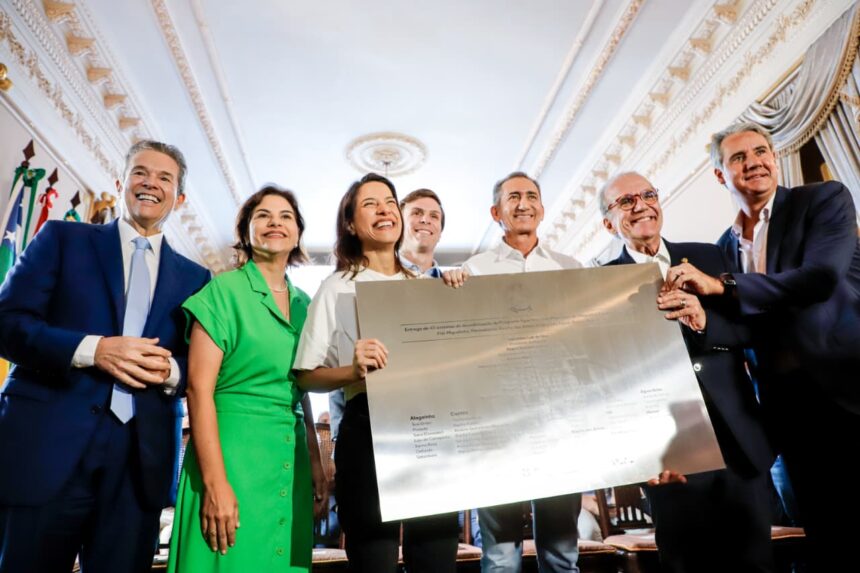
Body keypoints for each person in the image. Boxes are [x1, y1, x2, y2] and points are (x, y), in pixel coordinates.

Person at [0, 140, 210, 573]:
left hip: (139, 464)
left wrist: (171, 370)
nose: (150, 183)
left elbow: (203, 364)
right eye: (140, 172)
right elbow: (8, 323)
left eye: (164, 178)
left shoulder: (197, 279)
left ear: (179, 198)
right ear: (120, 183)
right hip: (48, 447)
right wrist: (92, 350)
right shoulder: (62, 239)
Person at [664, 122, 860, 571]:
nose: (753, 162)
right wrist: (702, 319)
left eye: (760, 151)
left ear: (774, 157)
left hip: (847, 392)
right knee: (824, 532)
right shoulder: (723, 247)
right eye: (738, 157)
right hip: (786, 410)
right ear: (720, 175)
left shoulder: (822, 200)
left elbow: (820, 279)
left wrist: (722, 286)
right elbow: (744, 329)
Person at [600, 171, 774, 573]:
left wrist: (705, 322)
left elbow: (752, 328)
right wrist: (639, 458)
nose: (641, 205)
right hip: (668, 458)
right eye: (626, 201)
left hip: (738, 442)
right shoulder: (601, 284)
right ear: (609, 224)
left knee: (756, 564)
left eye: (648, 195)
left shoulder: (710, 256)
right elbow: (605, 378)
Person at [294, 173, 459, 573]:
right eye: (370, 204)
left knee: (436, 556)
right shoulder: (335, 286)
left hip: (430, 428)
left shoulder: (427, 286)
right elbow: (305, 376)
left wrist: (460, 294)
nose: (384, 210)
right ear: (351, 224)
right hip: (366, 426)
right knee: (374, 559)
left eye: (389, 202)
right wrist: (352, 371)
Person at [167, 186, 326, 571]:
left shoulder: (306, 304)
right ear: (246, 232)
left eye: (286, 216)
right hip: (232, 455)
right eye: (263, 215)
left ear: (298, 234)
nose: (275, 222)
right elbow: (198, 389)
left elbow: (302, 386)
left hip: (289, 459)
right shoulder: (223, 290)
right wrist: (215, 482)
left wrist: (316, 459)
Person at [449, 171, 582, 573]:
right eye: (513, 197)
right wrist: (446, 289)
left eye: (531, 196)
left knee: (561, 551)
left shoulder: (571, 268)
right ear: (496, 212)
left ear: (542, 208)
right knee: (500, 555)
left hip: (559, 421)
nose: (524, 203)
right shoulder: (472, 271)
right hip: (496, 426)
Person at [399, 188, 446, 277]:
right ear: (399, 226)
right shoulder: (375, 276)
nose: (425, 220)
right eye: (416, 213)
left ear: (440, 233)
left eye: (434, 216)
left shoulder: (454, 284)